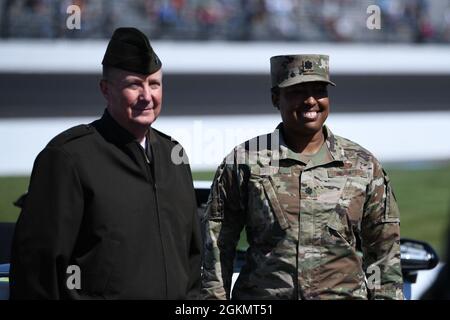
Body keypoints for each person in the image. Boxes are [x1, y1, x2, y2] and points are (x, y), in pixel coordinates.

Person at [9, 27, 201, 299]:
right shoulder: (69, 158)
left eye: (154, 84)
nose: (147, 96)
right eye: (134, 84)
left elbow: (191, 258)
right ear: (105, 89)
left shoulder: (174, 157)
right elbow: (38, 270)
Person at [201, 54, 404, 300]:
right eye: (297, 92)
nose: (310, 101)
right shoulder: (245, 161)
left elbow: (383, 252)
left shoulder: (363, 165)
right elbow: (217, 244)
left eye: (319, 91)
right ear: (276, 98)